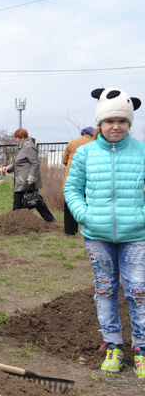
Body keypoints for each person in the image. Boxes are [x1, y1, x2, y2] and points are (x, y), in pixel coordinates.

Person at [64, 87, 145, 379]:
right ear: (100, 123)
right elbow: (71, 189)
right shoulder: (85, 153)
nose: (115, 126)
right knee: (105, 289)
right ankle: (113, 345)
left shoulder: (142, 151)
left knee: (138, 290)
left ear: (129, 123)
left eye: (122, 121)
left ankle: (141, 349)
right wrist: (86, 216)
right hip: (97, 235)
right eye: (109, 121)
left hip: (136, 234)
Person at [2, 128, 56, 223]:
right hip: (21, 179)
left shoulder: (29, 147)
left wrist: (31, 178)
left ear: (22, 137)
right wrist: (9, 168)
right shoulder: (22, 147)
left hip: (26, 180)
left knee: (27, 200)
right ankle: (48, 219)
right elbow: (18, 162)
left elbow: (35, 163)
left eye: (17, 138)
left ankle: (15, 223)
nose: (16, 140)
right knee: (33, 200)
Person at [61, 126, 94, 235]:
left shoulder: (73, 142)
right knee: (90, 204)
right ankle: (90, 229)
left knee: (70, 203)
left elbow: (64, 160)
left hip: (72, 177)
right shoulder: (96, 144)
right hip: (90, 178)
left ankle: (70, 230)